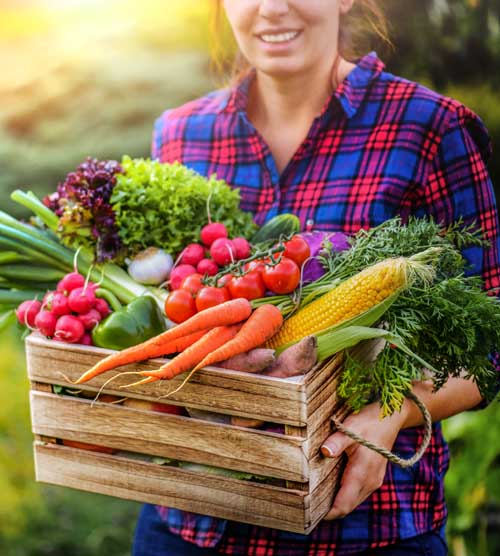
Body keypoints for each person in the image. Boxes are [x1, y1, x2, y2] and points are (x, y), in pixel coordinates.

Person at [133, 1, 500, 554]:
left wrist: (390, 413)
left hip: (363, 527)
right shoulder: (182, 134)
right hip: (192, 520)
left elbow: (488, 349)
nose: (272, 8)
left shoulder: (430, 129)